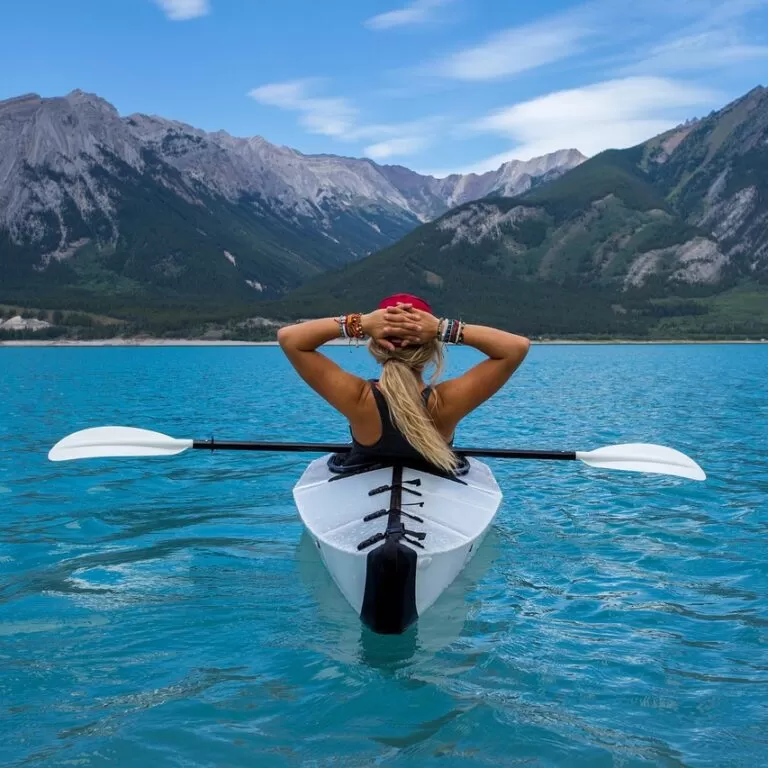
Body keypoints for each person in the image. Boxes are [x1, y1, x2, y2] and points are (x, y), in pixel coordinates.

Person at [277, 293, 530, 474]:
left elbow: (290, 338)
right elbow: (516, 347)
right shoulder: (446, 403)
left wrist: (360, 323)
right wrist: (443, 327)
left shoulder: (358, 399)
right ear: (432, 348)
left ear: (376, 345)